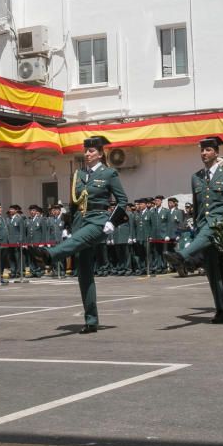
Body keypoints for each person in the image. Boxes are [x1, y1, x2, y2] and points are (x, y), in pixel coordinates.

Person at [36, 136, 128, 334]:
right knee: (84, 274)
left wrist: (113, 221)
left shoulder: (109, 173)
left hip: (98, 220)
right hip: (79, 221)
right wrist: (68, 224)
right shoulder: (78, 174)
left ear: (101, 154)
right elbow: (74, 203)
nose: (87, 154)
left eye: (92, 151)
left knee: (78, 241)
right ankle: (91, 320)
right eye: (86, 151)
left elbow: (122, 201)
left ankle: (50, 255)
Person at [165, 137, 223, 324]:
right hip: (203, 224)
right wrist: (197, 224)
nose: (204, 153)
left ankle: (182, 256)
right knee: (212, 269)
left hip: (220, 223)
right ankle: (220, 310)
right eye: (202, 150)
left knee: (211, 235)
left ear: (216, 153)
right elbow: (198, 205)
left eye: (207, 150)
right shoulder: (196, 177)